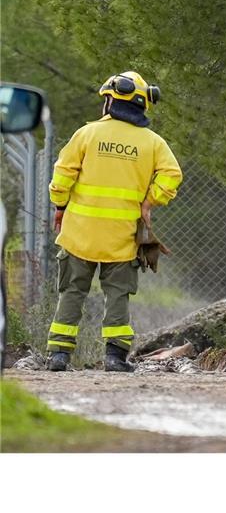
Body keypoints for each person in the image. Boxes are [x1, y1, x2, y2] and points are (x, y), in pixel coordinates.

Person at [47, 71, 182, 373]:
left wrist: (59, 205)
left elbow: (62, 174)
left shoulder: (87, 134)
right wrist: (150, 202)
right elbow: (172, 175)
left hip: (79, 235)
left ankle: (58, 355)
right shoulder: (153, 142)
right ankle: (115, 357)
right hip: (122, 239)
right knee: (118, 296)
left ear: (110, 100)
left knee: (72, 293)